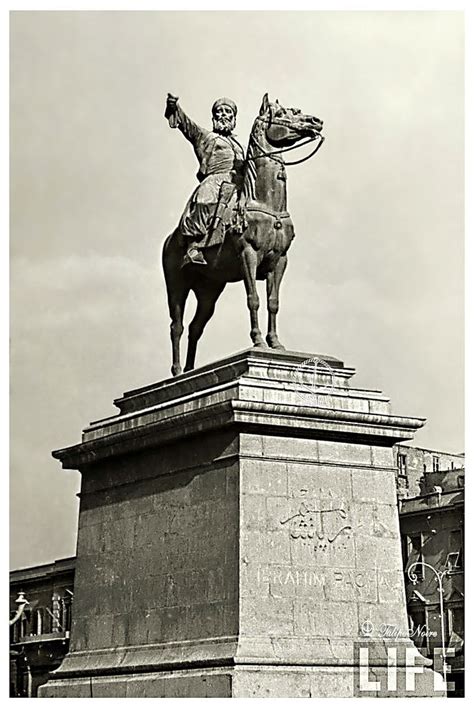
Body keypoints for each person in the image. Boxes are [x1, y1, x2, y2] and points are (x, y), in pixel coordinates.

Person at [165, 94, 245, 266]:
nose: (223, 114)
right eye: (219, 111)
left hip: (239, 183)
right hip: (215, 180)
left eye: (227, 111)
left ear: (233, 117)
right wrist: (174, 107)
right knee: (205, 201)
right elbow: (187, 125)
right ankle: (193, 246)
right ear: (214, 117)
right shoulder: (205, 136)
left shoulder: (240, 146)